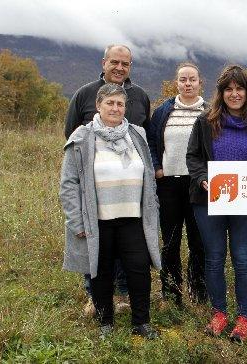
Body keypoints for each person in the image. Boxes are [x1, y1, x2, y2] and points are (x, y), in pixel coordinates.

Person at [60, 83, 162, 339]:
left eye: (120, 104)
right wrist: (76, 221)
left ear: (125, 107)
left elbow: (149, 175)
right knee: (101, 271)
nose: (115, 108)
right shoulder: (82, 137)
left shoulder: (136, 134)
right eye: (110, 103)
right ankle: (106, 322)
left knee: (138, 269)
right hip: (97, 220)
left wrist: (153, 208)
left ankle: (141, 322)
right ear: (98, 105)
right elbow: (69, 183)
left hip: (133, 218)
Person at [186, 65, 247, 343]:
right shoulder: (205, 121)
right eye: (229, 89)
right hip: (210, 200)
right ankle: (219, 313)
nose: (234, 94)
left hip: (246, 203)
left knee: (242, 258)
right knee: (214, 258)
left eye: (240, 88)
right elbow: (193, 157)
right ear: (221, 92)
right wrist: (203, 178)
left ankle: (244, 316)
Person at [64, 44, 151, 316]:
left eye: (125, 64)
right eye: (115, 62)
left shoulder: (141, 97)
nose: (119, 68)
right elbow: (72, 138)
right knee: (97, 249)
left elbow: (145, 142)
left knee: (129, 249)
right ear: (104, 63)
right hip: (96, 191)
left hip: (128, 193)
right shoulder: (84, 94)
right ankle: (95, 296)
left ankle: (123, 294)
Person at [146, 62, 207, 306]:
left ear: (200, 82)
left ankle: (199, 290)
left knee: (198, 240)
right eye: (183, 79)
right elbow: (150, 141)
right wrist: (157, 168)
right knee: (170, 240)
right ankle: (172, 292)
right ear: (177, 83)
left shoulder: (209, 112)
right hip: (169, 184)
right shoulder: (163, 111)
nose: (188, 83)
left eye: (192, 79)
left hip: (198, 185)